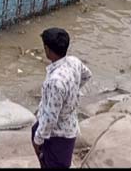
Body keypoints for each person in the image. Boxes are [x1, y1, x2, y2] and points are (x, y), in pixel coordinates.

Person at [32, 28, 92, 169]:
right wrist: (72, 91)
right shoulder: (73, 61)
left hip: (58, 135)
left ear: (47, 49)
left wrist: (37, 141)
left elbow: (51, 118)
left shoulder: (55, 81)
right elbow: (87, 75)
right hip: (68, 124)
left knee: (53, 163)